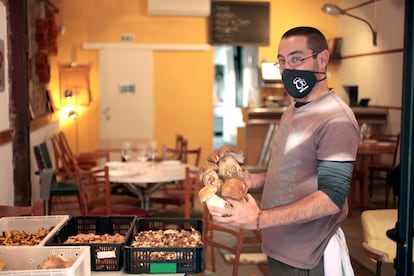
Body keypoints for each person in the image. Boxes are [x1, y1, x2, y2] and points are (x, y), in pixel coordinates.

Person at [209, 26, 360, 275]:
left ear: (322, 59)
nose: (287, 68)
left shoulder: (337, 119)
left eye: (297, 59)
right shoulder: (293, 110)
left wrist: (259, 219)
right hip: (279, 248)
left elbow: (331, 198)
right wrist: (252, 180)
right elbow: (292, 174)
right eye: (282, 61)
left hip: (308, 257)